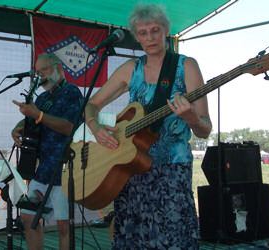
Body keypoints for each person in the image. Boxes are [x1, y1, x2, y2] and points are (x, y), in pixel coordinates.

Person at [85, 3, 212, 249]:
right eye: (142, 33)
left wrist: (192, 118)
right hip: (130, 168)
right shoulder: (131, 69)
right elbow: (91, 105)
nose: (150, 37)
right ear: (136, 37)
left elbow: (205, 129)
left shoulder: (186, 66)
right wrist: (96, 128)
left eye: (155, 30)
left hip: (171, 171)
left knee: (172, 239)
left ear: (166, 30)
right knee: (133, 238)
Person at [11, 53, 83, 249]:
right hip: (43, 169)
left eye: (45, 71)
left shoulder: (71, 92)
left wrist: (39, 115)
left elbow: (70, 126)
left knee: (63, 226)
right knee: (28, 217)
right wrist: (18, 127)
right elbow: (31, 118)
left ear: (59, 68)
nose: (41, 76)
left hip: (65, 168)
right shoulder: (42, 97)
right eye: (38, 72)